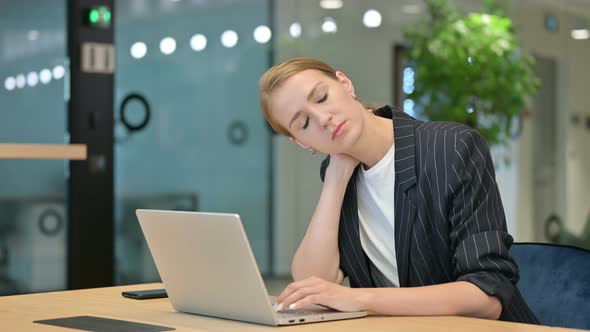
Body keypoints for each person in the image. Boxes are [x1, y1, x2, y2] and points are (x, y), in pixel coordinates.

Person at [258, 57, 538, 323]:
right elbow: (312, 287)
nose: (323, 118)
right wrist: (335, 179)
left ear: (345, 84)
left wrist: (358, 298)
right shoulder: (339, 177)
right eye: (304, 123)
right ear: (301, 142)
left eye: (322, 97)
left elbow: (486, 296)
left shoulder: (452, 148)